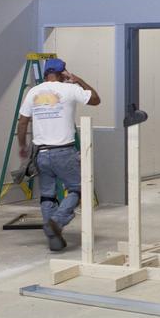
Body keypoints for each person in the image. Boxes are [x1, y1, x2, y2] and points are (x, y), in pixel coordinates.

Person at [17, 57, 101, 252]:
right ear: (63, 73)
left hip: (41, 154)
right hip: (63, 152)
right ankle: (57, 220)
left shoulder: (33, 92)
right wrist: (78, 79)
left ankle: (53, 236)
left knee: (47, 195)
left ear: (46, 74)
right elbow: (96, 99)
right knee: (79, 189)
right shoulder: (70, 89)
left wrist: (23, 146)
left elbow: (22, 122)